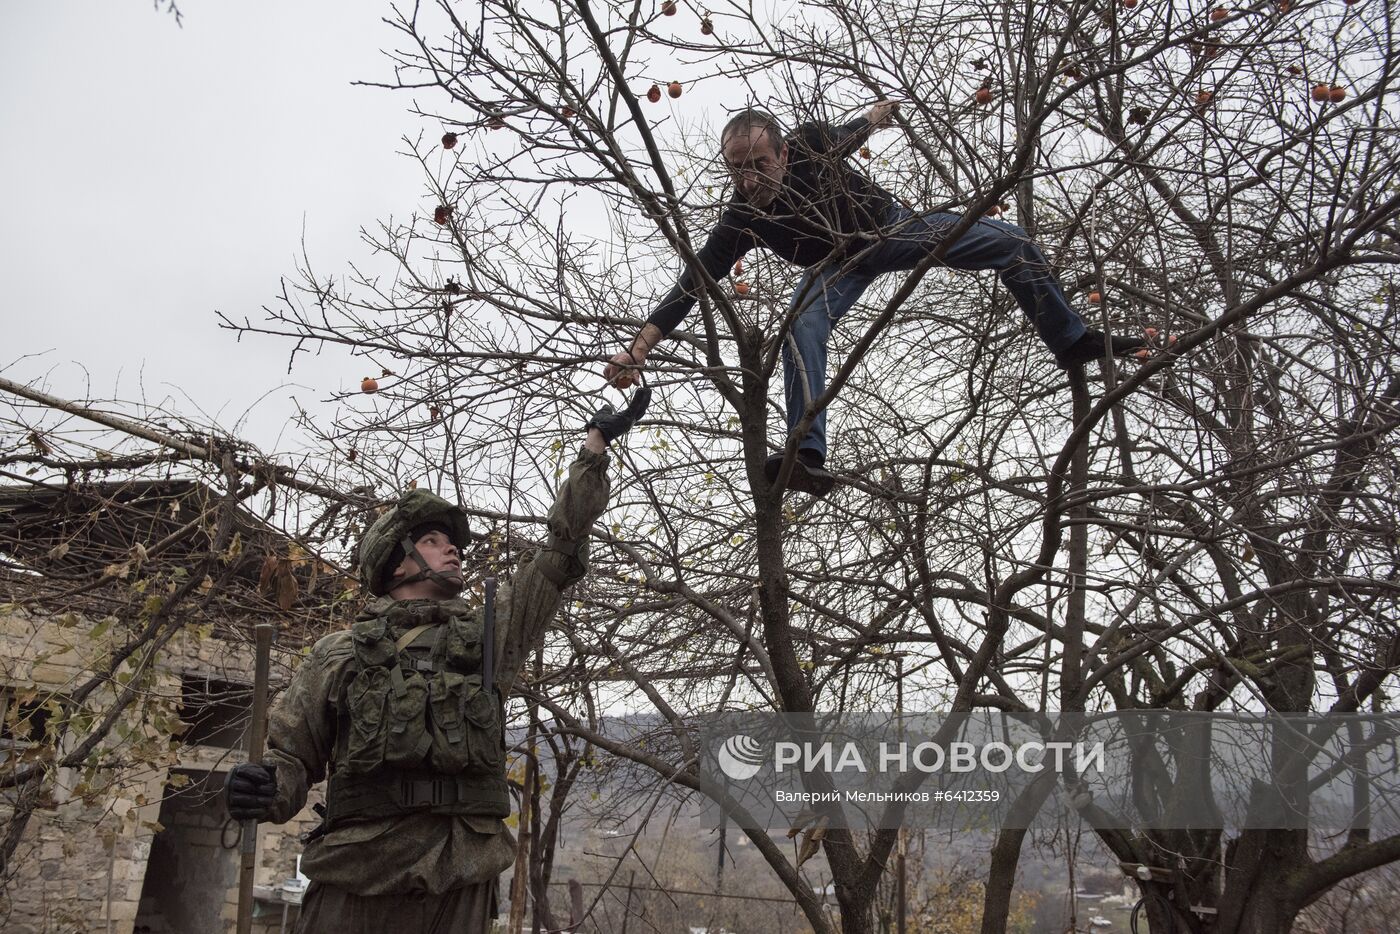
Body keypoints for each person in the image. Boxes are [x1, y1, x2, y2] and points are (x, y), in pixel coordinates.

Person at [223, 388, 650, 933]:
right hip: (358, 882)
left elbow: (560, 551)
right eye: (432, 540)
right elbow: (292, 762)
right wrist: (260, 789)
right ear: (396, 562)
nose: (453, 550)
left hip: (461, 883)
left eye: (453, 544)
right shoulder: (341, 654)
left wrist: (594, 449)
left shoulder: (491, 638)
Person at [603, 103, 1143, 496]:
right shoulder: (743, 217)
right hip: (835, 267)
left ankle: (1070, 339)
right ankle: (806, 455)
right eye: (735, 170)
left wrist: (881, 114)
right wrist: (639, 349)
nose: (747, 180)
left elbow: (854, 128)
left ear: (784, 152)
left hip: (889, 231)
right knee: (801, 328)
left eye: (758, 165)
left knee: (1013, 243)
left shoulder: (812, 143)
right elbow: (693, 283)